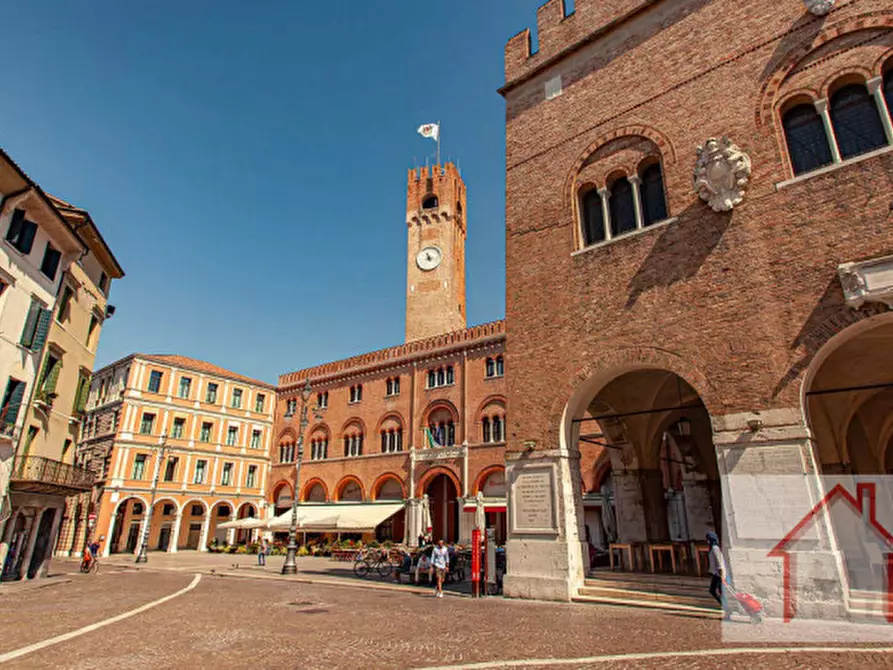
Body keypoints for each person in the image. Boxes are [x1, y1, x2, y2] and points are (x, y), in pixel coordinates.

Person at [706, 531, 730, 619]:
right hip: (716, 573)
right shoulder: (712, 547)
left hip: (719, 574)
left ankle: (727, 610)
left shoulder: (715, 548)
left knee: (717, 591)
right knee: (715, 590)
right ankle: (726, 609)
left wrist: (721, 573)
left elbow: (719, 561)